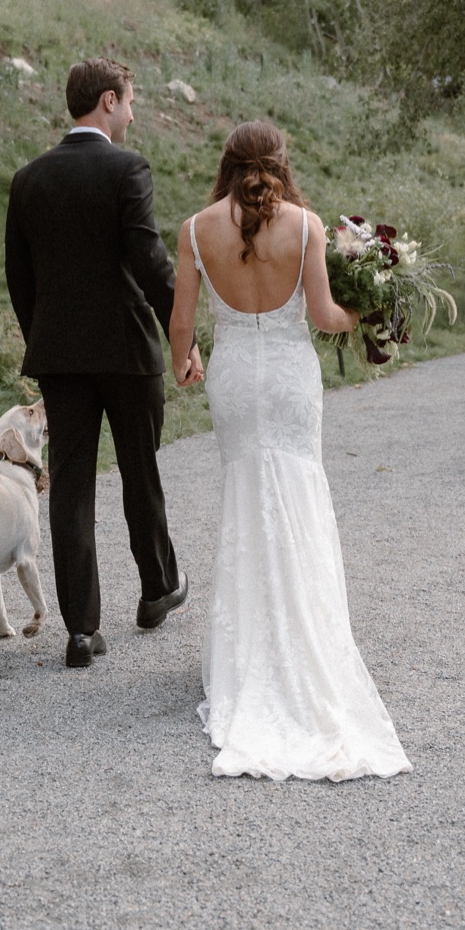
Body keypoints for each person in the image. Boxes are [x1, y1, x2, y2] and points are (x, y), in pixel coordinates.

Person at [169, 121, 409, 783]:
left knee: (246, 501)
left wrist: (182, 362)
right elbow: (326, 313)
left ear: (227, 163)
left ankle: (251, 653)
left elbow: (182, 322)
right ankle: (304, 646)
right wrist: (369, 313)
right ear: (279, 163)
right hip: (290, 379)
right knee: (299, 496)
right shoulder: (305, 226)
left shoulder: (195, 229)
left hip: (235, 381)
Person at [5, 58, 203, 669]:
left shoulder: (29, 178)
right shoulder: (126, 168)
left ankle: (82, 631)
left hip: (60, 356)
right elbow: (151, 263)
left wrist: (43, 336)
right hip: (126, 350)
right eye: (131, 102)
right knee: (141, 471)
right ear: (109, 101)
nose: (135, 114)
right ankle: (157, 589)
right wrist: (184, 337)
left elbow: (19, 276)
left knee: (70, 487)